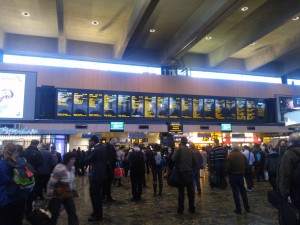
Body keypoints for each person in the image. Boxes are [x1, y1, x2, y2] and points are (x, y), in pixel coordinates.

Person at [47, 152, 79, 225]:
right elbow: (51, 182)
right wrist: (49, 194)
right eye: (72, 159)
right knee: (54, 213)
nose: (74, 160)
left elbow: (72, 181)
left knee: (72, 211)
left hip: (67, 192)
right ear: (67, 159)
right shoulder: (59, 168)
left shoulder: (73, 168)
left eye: (75, 159)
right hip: (57, 193)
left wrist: (74, 190)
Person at [0, 143, 28, 225]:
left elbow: (4, 181)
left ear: (5, 150)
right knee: (17, 221)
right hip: (21, 197)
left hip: (5, 199)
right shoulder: (22, 162)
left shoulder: (1, 164)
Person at [85, 135, 107, 222]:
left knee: (95, 196)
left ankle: (98, 215)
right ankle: (96, 212)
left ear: (93, 141)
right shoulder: (102, 147)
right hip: (101, 174)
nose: (89, 143)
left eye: (89, 141)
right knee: (93, 193)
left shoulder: (96, 149)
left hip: (96, 175)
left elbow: (88, 160)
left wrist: (88, 151)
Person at [172, 137, 196, 214]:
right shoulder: (191, 150)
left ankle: (181, 209)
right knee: (191, 192)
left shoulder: (178, 149)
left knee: (181, 192)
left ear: (181, 142)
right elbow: (195, 161)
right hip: (189, 173)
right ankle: (191, 207)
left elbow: (173, 159)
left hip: (181, 173)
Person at [277, 133, 300, 210]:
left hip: (294, 190)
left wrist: (285, 193)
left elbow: (285, 174)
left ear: (290, 141)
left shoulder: (289, 154)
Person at [226, 144, 250, 214]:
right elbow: (246, 165)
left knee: (235, 193)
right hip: (241, 176)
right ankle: (247, 207)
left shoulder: (230, 156)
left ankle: (238, 209)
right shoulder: (242, 155)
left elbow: (227, 167)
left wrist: (228, 173)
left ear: (232, 148)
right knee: (243, 192)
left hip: (233, 176)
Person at [24, 139, 43, 217]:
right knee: (31, 190)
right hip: (33, 173)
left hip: (23, 173)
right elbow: (40, 163)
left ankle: (22, 210)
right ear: (37, 144)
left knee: (24, 189)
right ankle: (28, 211)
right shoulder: (37, 152)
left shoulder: (25, 151)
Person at [102, 137, 117, 202]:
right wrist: (116, 159)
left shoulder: (106, 146)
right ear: (112, 141)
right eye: (115, 143)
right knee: (107, 184)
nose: (115, 144)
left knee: (106, 184)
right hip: (109, 169)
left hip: (106, 168)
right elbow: (111, 159)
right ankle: (107, 197)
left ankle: (105, 197)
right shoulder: (110, 147)